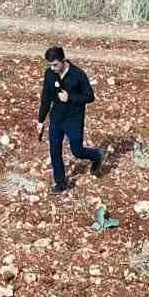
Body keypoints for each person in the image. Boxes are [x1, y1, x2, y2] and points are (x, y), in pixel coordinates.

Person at [36, 45, 103, 194]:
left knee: (77, 151)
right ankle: (61, 183)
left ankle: (96, 155)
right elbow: (45, 98)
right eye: (50, 65)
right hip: (56, 118)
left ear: (63, 60)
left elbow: (89, 97)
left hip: (74, 119)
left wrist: (70, 97)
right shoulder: (50, 74)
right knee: (54, 151)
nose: (52, 68)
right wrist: (41, 121)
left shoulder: (78, 74)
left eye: (55, 65)